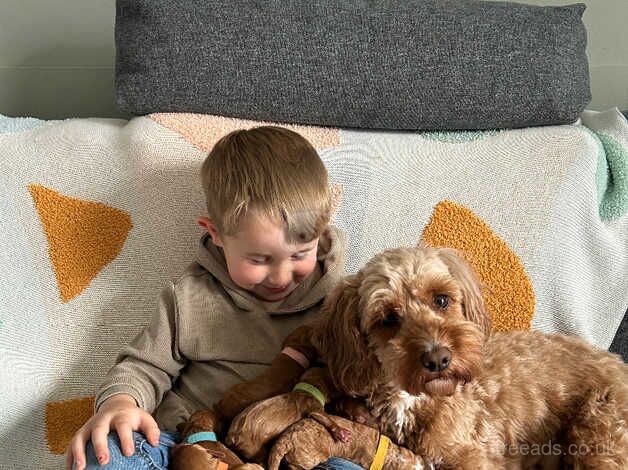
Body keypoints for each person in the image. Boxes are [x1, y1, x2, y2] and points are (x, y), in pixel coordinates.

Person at [65, 126, 363, 470]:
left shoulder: (341, 302)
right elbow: (144, 367)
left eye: (300, 254)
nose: (282, 277)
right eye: (259, 259)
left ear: (321, 233)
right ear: (216, 234)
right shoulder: (190, 297)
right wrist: (120, 404)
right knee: (107, 453)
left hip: (295, 452)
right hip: (188, 446)